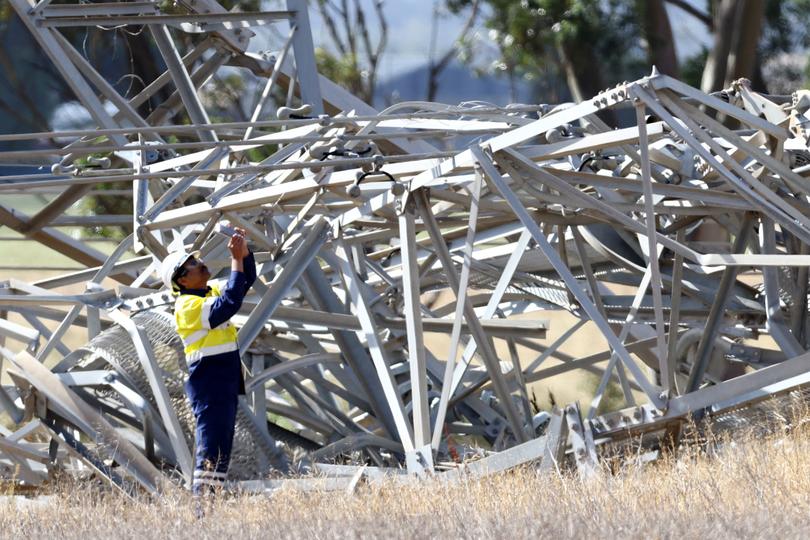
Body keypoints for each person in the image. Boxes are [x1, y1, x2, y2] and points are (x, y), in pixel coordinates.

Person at [160, 228, 254, 496]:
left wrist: (244, 255)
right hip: (210, 384)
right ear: (182, 280)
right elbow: (230, 302)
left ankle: (210, 504)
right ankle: (202, 510)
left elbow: (243, 283)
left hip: (222, 382)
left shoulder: (207, 291)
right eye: (192, 263)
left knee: (221, 448)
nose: (200, 263)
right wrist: (235, 259)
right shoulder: (187, 306)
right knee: (211, 449)